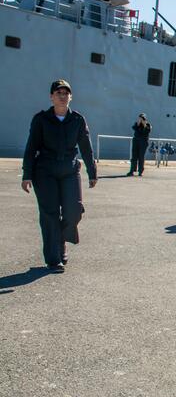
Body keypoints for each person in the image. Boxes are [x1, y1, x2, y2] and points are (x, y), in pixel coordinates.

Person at [21, 79, 98, 272]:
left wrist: (92, 172)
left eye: (66, 93)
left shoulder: (78, 120)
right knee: (50, 214)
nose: (62, 96)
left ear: (71, 97)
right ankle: (54, 258)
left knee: (74, 210)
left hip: (69, 170)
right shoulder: (41, 119)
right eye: (58, 93)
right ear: (51, 97)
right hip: (45, 171)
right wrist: (26, 174)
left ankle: (61, 239)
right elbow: (31, 148)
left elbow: (86, 148)